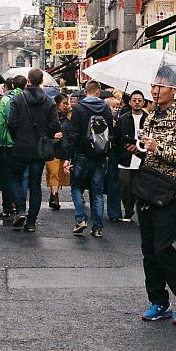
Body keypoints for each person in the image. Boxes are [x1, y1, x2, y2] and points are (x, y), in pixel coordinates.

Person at [134, 68, 176, 325]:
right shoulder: (151, 116)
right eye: (153, 85)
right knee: (148, 250)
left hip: (171, 191)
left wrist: (157, 147)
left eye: (160, 86)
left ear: (174, 89)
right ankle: (158, 301)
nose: (154, 90)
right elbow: (149, 154)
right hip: (148, 188)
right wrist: (140, 147)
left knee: (163, 248)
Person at [4, 68, 62, 232]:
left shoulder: (18, 98)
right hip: (39, 149)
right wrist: (45, 135)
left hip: (21, 146)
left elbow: (11, 123)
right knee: (35, 184)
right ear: (41, 81)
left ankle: (21, 209)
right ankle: (31, 222)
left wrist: (18, 137)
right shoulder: (49, 101)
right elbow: (54, 126)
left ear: (28, 81)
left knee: (16, 178)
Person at [66, 79, 114, 239]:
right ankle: (98, 228)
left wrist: (68, 157)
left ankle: (80, 219)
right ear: (98, 92)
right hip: (100, 154)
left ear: (86, 91)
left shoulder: (79, 108)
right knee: (97, 191)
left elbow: (73, 134)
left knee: (76, 186)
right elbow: (110, 133)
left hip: (82, 153)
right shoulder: (106, 108)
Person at [0, 76, 27, 221]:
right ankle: (20, 207)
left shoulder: (5, 100)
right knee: (23, 176)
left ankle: (7, 206)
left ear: (11, 85)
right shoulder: (26, 99)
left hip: (7, 144)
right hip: (24, 144)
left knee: (6, 176)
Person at [116, 91, 149, 221]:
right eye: (134, 100)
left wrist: (140, 148)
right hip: (126, 157)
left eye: (139, 100)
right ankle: (128, 210)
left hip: (143, 157)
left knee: (141, 188)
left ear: (144, 102)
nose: (137, 103)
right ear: (129, 102)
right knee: (125, 186)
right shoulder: (123, 118)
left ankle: (142, 213)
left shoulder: (149, 119)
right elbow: (119, 138)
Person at [44, 93, 72, 209]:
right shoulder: (50, 116)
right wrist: (52, 135)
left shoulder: (70, 117)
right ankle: (54, 196)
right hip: (52, 149)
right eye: (64, 103)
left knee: (64, 175)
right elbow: (44, 131)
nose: (66, 106)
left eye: (67, 103)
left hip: (66, 150)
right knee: (53, 173)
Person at [103, 93, 126, 222]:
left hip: (115, 155)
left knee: (114, 183)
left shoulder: (120, 120)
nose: (116, 109)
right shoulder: (102, 119)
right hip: (103, 154)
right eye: (113, 106)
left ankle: (115, 213)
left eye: (118, 106)